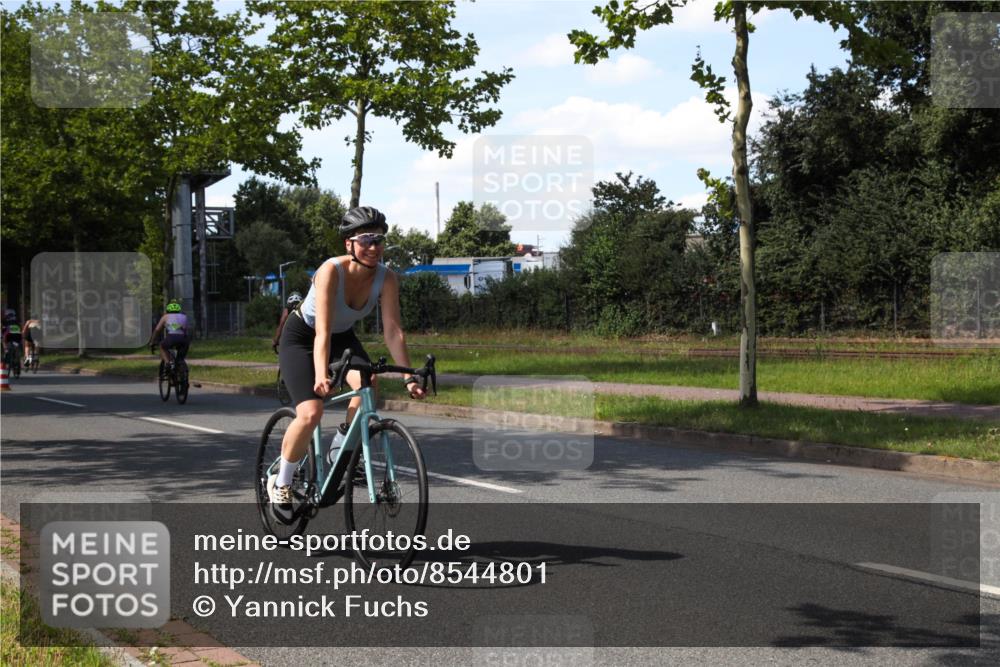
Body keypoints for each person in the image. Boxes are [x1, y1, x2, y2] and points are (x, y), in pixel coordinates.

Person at [270, 206, 425, 518]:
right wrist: (321, 375)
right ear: (349, 244)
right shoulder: (331, 270)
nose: (373, 247)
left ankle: (340, 445)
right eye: (366, 240)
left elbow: (393, 331)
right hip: (302, 336)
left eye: (379, 240)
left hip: (341, 337)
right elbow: (322, 331)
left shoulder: (386, 278)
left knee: (368, 382)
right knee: (311, 412)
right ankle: (281, 481)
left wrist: (409, 377)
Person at [150, 301, 191, 379]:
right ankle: (183, 374)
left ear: (167, 310)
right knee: (180, 359)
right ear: (179, 310)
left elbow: (157, 330)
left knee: (162, 346)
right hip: (184, 339)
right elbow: (187, 329)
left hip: (172, 337)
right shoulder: (184, 316)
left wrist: (152, 342)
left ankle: (168, 364)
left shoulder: (165, 317)